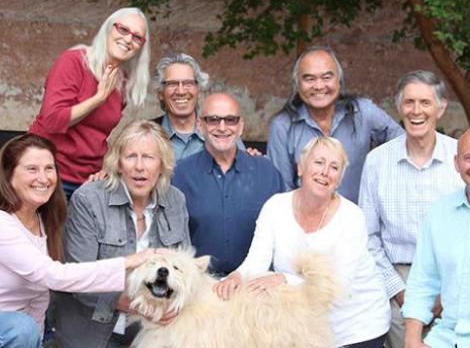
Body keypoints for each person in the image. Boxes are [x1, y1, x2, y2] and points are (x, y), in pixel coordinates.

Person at [216, 136, 391, 348]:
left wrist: (284, 279)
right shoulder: (275, 206)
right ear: (300, 168)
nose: (325, 172)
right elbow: (257, 260)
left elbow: (338, 285)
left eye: (334, 167)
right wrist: (237, 276)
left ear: (340, 179)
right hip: (304, 328)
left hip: (356, 327)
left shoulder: (352, 217)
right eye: (318, 162)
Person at [0, 134, 157, 348]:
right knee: (21, 328)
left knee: (26, 328)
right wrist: (128, 262)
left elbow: (38, 304)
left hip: (26, 332)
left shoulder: (45, 219)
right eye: (32, 169)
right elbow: (55, 275)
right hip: (12, 330)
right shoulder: (3, 224)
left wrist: (91, 192)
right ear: (8, 175)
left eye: (49, 168)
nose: (43, 178)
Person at [54, 120, 191, 348]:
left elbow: (183, 268)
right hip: (93, 329)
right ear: (117, 163)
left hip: (155, 328)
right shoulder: (89, 199)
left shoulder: (175, 199)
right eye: (130, 157)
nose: (139, 166)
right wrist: (137, 305)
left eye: (148, 157)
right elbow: (78, 277)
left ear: (162, 165)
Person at [359, 70, 463, 348]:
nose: (416, 111)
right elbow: (367, 238)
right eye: (409, 102)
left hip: (454, 277)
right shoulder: (377, 163)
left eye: (425, 103)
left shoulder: (461, 160)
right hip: (396, 284)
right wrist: (402, 294)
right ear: (399, 107)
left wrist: (447, 296)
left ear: (440, 108)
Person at [29, 7, 150, 199]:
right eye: (123, 30)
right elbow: (52, 120)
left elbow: (97, 135)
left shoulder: (123, 81)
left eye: (137, 37)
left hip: (88, 182)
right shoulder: (74, 61)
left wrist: (106, 167)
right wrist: (98, 99)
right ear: (108, 29)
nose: (128, 39)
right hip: (48, 174)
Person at [267, 45, 403, 203]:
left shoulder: (364, 112)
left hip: (360, 221)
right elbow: (281, 189)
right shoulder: (283, 126)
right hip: (305, 221)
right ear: (298, 84)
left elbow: (405, 144)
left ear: (339, 81)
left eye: (326, 78)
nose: (318, 86)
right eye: (309, 79)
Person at [172, 93, 283, 276]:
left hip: (254, 287)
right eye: (213, 120)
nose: (222, 127)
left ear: (240, 127)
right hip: (200, 287)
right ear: (200, 126)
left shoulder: (267, 173)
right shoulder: (179, 175)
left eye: (230, 120)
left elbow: (283, 234)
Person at [402, 128, 470, 348]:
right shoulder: (440, 212)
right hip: (447, 337)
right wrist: (413, 341)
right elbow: (422, 281)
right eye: (468, 158)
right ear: (456, 163)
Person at [152, 52, 209, 160]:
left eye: (188, 83)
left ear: (198, 90)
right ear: (160, 93)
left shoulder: (220, 131)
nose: (181, 91)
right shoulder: (145, 134)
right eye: (172, 84)